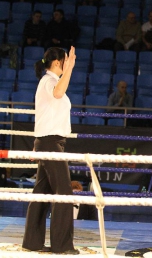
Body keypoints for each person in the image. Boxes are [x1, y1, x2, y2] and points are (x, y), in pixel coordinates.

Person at [22, 46, 79, 254]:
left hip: (50, 141)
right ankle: (62, 245)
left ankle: (32, 242)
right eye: (65, 61)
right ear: (57, 63)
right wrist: (70, 68)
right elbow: (58, 93)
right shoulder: (49, 81)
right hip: (50, 142)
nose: (68, 63)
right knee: (63, 192)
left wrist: (69, 67)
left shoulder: (50, 81)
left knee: (42, 192)